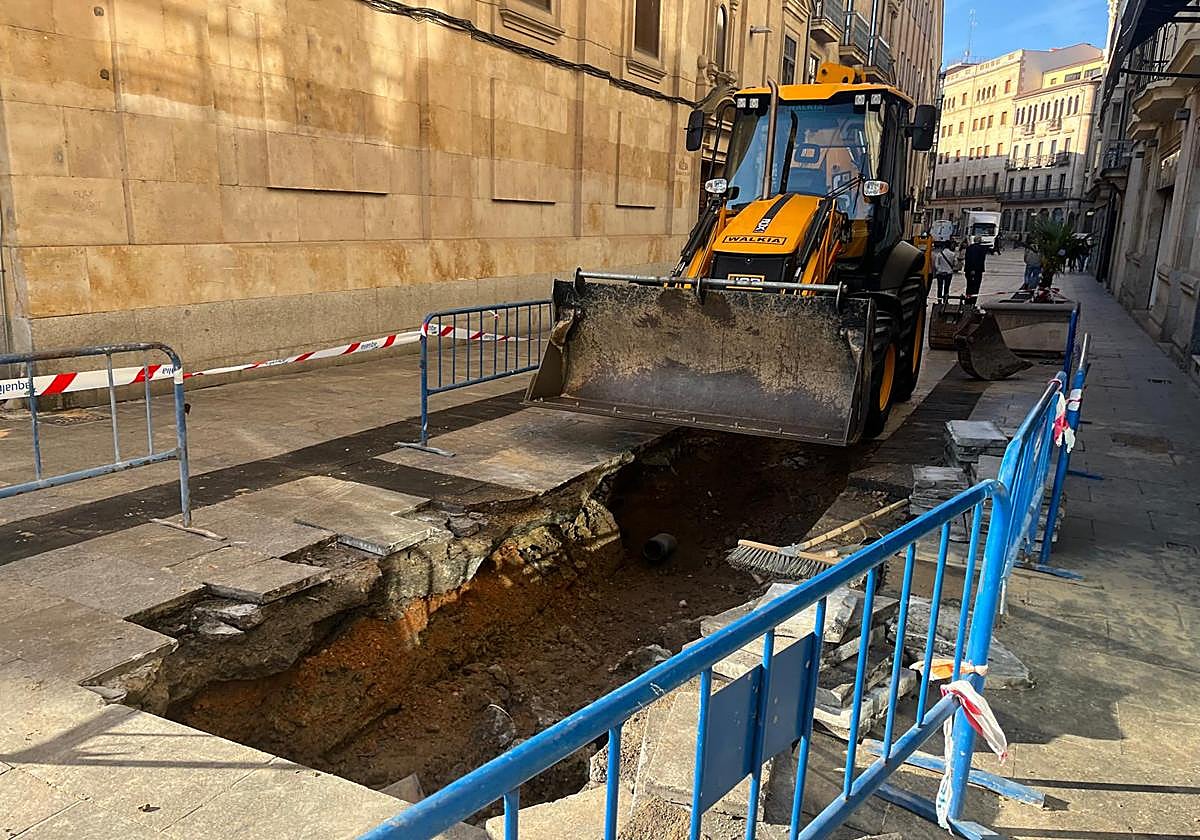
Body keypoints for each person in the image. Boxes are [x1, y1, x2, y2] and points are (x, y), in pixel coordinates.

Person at [963, 235, 989, 302]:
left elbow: (967, 259)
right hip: (977, 271)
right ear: (979, 240)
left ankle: (967, 300)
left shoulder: (969, 248)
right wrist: (973, 269)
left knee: (969, 286)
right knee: (976, 287)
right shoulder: (981, 249)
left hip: (968, 270)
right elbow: (976, 259)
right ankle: (973, 301)